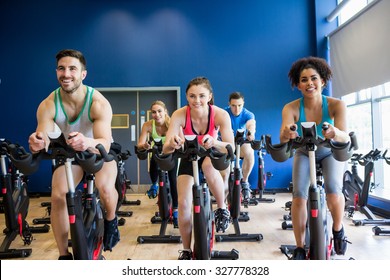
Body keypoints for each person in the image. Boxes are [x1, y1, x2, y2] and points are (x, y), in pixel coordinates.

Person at [28, 49, 119, 259]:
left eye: (72, 69)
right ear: (56, 72)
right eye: (61, 68)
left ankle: (111, 220)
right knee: (58, 196)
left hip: (98, 148)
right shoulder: (48, 104)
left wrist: (87, 142)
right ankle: (63, 255)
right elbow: (45, 133)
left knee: (105, 188)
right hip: (71, 150)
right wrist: (38, 141)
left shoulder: (98, 103)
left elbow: (104, 141)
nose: (66, 74)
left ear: (83, 74)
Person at [279, 56, 350, 260]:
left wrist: (335, 132)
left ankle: (338, 230)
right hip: (303, 151)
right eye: (304, 80)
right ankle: (300, 247)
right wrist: (288, 132)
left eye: (314, 78)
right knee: (299, 196)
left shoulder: (337, 105)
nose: (309, 83)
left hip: (330, 150)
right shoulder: (291, 108)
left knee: (333, 192)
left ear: (323, 81)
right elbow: (282, 135)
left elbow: (345, 135)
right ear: (298, 84)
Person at [163, 76, 234, 260]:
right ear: (187, 96)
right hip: (189, 156)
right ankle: (186, 249)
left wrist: (215, 142)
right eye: (192, 96)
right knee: (184, 204)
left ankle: (222, 208)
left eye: (202, 96)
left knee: (209, 167)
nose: (197, 101)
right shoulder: (180, 114)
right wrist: (174, 142)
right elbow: (166, 147)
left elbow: (230, 147)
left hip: (212, 153)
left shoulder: (220, 114)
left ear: (210, 96)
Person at [137, 100, 179, 227]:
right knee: (154, 158)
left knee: (173, 181)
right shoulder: (148, 125)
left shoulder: (172, 123)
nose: (157, 114)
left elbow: (180, 138)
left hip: (171, 154)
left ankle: (176, 210)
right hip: (157, 154)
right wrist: (144, 145)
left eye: (159, 111)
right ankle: (154, 184)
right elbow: (140, 144)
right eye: (153, 112)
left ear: (165, 112)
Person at [224, 92, 256, 201]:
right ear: (229, 104)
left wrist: (251, 132)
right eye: (233, 105)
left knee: (250, 152)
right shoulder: (224, 113)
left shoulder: (248, 114)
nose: (236, 109)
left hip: (240, 143)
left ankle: (245, 181)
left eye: (239, 105)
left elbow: (251, 124)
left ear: (243, 104)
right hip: (226, 144)